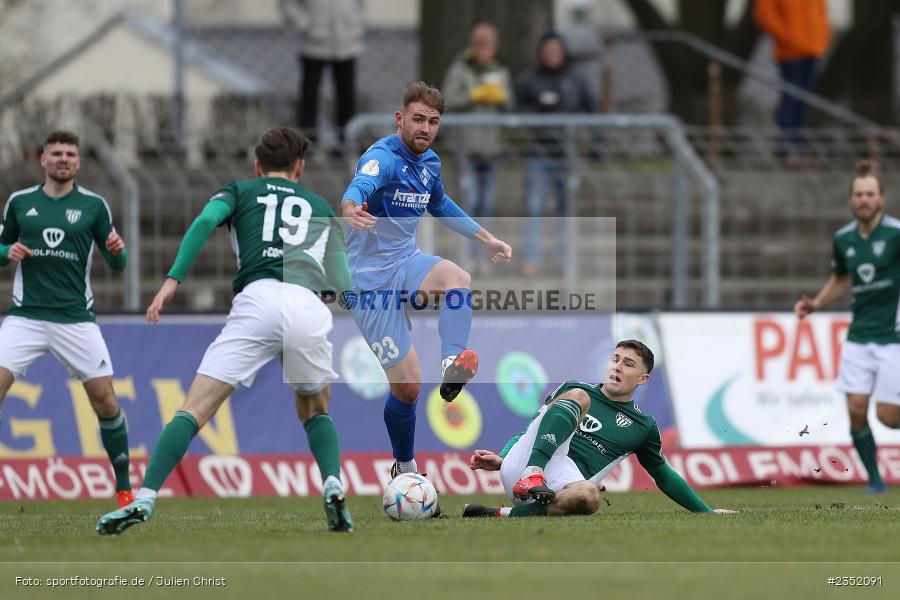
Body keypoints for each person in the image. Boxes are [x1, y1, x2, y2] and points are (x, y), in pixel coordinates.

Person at [96, 128, 355, 535]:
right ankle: (333, 483)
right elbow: (341, 281)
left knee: (195, 408)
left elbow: (204, 221)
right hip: (307, 305)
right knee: (315, 409)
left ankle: (145, 496)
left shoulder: (238, 190)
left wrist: (172, 280)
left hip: (258, 300)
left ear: (258, 166)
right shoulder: (320, 205)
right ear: (300, 167)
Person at [341, 81, 512, 479]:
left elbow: (439, 203)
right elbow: (360, 185)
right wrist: (350, 207)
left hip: (406, 262)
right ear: (400, 119)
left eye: (433, 122)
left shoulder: (430, 163)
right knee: (409, 389)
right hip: (369, 285)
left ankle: (452, 363)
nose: (425, 128)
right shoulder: (382, 156)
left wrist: (486, 238)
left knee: (457, 277)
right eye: (418, 119)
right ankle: (404, 467)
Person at [0, 130, 133, 508]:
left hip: (76, 319)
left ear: (78, 162)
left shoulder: (94, 206)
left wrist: (118, 252)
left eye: (70, 154)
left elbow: (118, 263)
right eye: (56, 153)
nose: (63, 159)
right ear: (41, 159)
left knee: (105, 400)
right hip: (26, 316)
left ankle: (124, 489)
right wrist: (7, 250)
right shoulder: (20, 203)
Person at [464, 340, 736, 517]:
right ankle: (532, 473)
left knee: (589, 496)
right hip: (525, 469)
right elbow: (528, 432)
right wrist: (504, 458)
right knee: (580, 398)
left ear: (643, 378)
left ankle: (496, 514)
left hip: (558, 490)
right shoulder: (575, 389)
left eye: (628, 364)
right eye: (615, 359)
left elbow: (663, 475)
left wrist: (706, 512)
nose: (617, 367)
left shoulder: (644, 426)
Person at [794, 161, 900, 495]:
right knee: (855, 410)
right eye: (858, 195)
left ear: (881, 198)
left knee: (888, 417)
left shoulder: (896, 234)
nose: (864, 200)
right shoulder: (843, 239)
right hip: (859, 336)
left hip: (893, 337)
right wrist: (817, 304)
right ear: (851, 200)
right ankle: (876, 481)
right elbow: (841, 278)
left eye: (870, 194)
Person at [516, 31, 595, 278]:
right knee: (534, 206)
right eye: (548, 50)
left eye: (556, 51)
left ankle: (563, 259)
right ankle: (531, 260)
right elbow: (516, 111)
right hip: (538, 152)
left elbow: (591, 109)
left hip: (567, 153)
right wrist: (539, 108)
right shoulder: (529, 80)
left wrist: (595, 144)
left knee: (566, 208)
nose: (552, 55)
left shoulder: (577, 79)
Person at [442, 22, 513, 263]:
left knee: (487, 203)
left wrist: (502, 97)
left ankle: (485, 256)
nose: (485, 51)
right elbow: (447, 98)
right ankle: (465, 255)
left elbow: (510, 104)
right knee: (468, 201)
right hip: (467, 146)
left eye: (489, 46)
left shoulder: (501, 70)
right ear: (474, 47)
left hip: (491, 146)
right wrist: (472, 95)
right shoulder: (460, 68)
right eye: (481, 46)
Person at [281, 0, 364, 150]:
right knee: (310, 95)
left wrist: (355, 24)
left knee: (346, 95)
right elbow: (288, 4)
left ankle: (345, 141)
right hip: (313, 45)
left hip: (347, 43)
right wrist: (306, 25)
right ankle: (307, 143)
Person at [754, 0, 830, 161]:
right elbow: (765, 15)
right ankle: (786, 146)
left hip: (813, 49)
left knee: (803, 101)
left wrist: (823, 38)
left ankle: (798, 145)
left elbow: (822, 13)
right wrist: (788, 37)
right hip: (790, 53)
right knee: (791, 100)